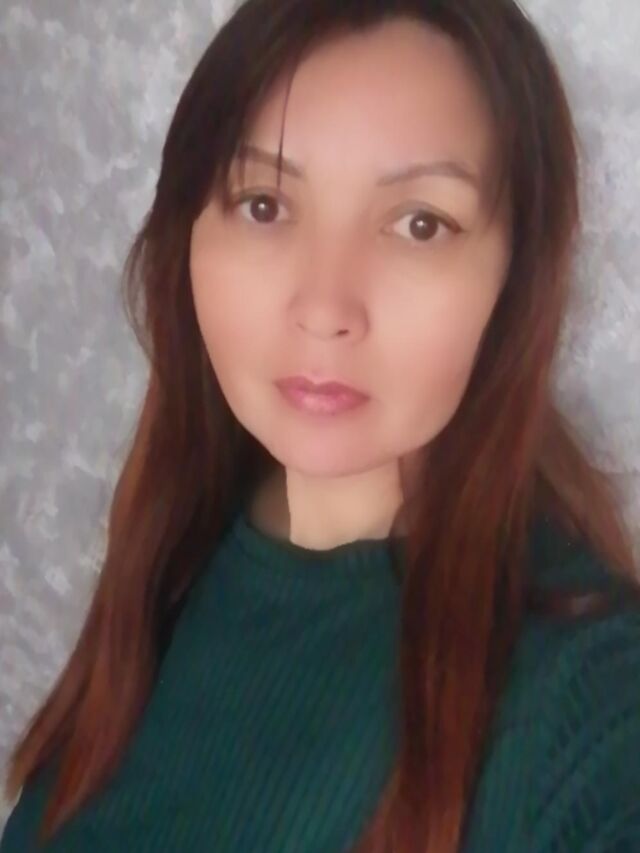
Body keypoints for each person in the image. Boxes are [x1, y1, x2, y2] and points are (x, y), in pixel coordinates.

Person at [2, 0, 640, 850]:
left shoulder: (588, 694)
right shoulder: (171, 557)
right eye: (264, 204)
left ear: (513, 280)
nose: (325, 307)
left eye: (420, 224)